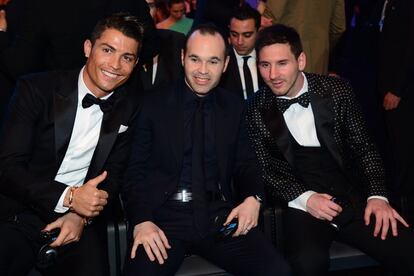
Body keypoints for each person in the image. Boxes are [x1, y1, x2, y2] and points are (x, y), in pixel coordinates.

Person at [123, 23, 291, 276]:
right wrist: (141, 220)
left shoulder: (235, 107)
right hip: (163, 219)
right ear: (182, 58)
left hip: (219, 217)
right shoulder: (151, 105)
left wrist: (252, 199)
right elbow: (132, 172)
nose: (202, 71)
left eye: (212, 61)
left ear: (225, 65)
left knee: (278, 271)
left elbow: (247, 163)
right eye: (195, 59)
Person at [246, 24, 414, 275]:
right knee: (306, 264)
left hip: (352, 197)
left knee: (408, 250)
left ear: (300, 60)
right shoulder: (255, 106)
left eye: (282, 63)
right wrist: (307, 199)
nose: (273, 75)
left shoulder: (337, 91)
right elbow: (266, 169)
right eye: (264, 65)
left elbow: (364, 148)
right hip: (302, 205)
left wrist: (377, 197)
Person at [0, 12, 143, 276]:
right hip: (19, 214)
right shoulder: (36, 90)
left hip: (78, 223)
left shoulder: (129, 107)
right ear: (88, 48)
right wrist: (71, 198)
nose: (115, 64)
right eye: (108, 50)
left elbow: (114, 176)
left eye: (127, 57)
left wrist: (81, 216)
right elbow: (8, 167)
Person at [375, 0, 414, 223]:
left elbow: (410, 50)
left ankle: (406, 208)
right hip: (384, 88)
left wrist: (398, 89)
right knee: (394, 149)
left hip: (402, 93)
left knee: (404, 150)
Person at [265, 0, 346, 75]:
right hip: (319, 58)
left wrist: (257, 8)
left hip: (286, 57)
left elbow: (269, 19)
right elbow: (338, 27)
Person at [219, 4, 263, 100]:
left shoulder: (267, 57)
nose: (239, 42)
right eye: (234, 35)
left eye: (247, 35)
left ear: (258, 32)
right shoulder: (221, 62)